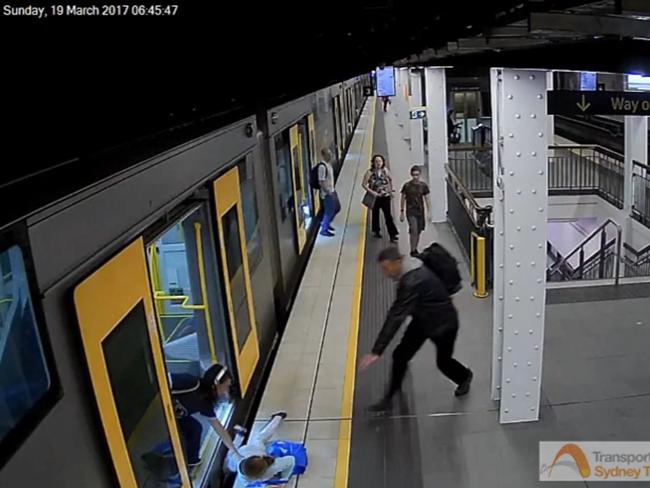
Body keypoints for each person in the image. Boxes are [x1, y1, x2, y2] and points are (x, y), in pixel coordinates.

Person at [359, 247, 473, 413]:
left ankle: (464, 376)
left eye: (386, 267)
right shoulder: (411, 268)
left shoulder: (412, 280)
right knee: (400, 356)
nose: (384, 272)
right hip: (423, 320)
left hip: (443, 325)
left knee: (443, 362)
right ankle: (389, 397)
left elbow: (396, 315)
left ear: (397, 262)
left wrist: (376, 351)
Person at [170, 364, 242, 466]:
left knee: (195, 429)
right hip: (162, 412)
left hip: (175, 417)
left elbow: (219, 429)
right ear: (216, 384)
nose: (225, 392)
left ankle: (191, 461)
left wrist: (234, 451)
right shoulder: (190, 383)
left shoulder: (206, 402)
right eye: (225, 387)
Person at [226, 412, 296, 486]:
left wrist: (283, 480)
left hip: (244, 452)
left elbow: (291, 460)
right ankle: (277, 418)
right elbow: (291, 460)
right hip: (254, 450)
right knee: (260, 437)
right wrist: (284, 478)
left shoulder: (273, 467)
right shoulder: (272, 467)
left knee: (230, 462)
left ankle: (239, 436)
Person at [362, 154, 398, 242]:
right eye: (376, 161)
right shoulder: (369, 173)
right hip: (375, 197)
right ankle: (376, 230)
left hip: (385, 196)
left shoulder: (385, 171)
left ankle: (392, 234)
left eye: (380, 161)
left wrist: (391, 190)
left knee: (388, 215)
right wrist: (372, 192)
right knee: (375, 214)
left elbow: (390, 179)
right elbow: (364, 184)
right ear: (373, 163)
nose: (378, 163)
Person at [400, 165, 431, 256]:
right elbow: (402, 198)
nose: (415, 177)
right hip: (410, 211)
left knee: (418, 230)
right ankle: (412, 249)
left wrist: (429, 211)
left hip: (420, 211)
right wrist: (401, 211)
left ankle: (415, 248)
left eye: (417, 175)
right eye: (414, 175)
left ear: (420, 175)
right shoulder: (407, 186)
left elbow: (427, 199)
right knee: (414, 229)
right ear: (411, 175)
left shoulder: (423, 186)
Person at [318, 148, 338, 237]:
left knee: (337, 207)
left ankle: (326, 223)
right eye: (328, 154)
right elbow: (321, 182)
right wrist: (328, 191)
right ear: (323, 155)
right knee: (329, 211)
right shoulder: (322, 167)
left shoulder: (328, 164)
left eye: (330, 153)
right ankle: (324, 229)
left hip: (332, 190)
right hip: (327, 193)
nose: (330, 155)